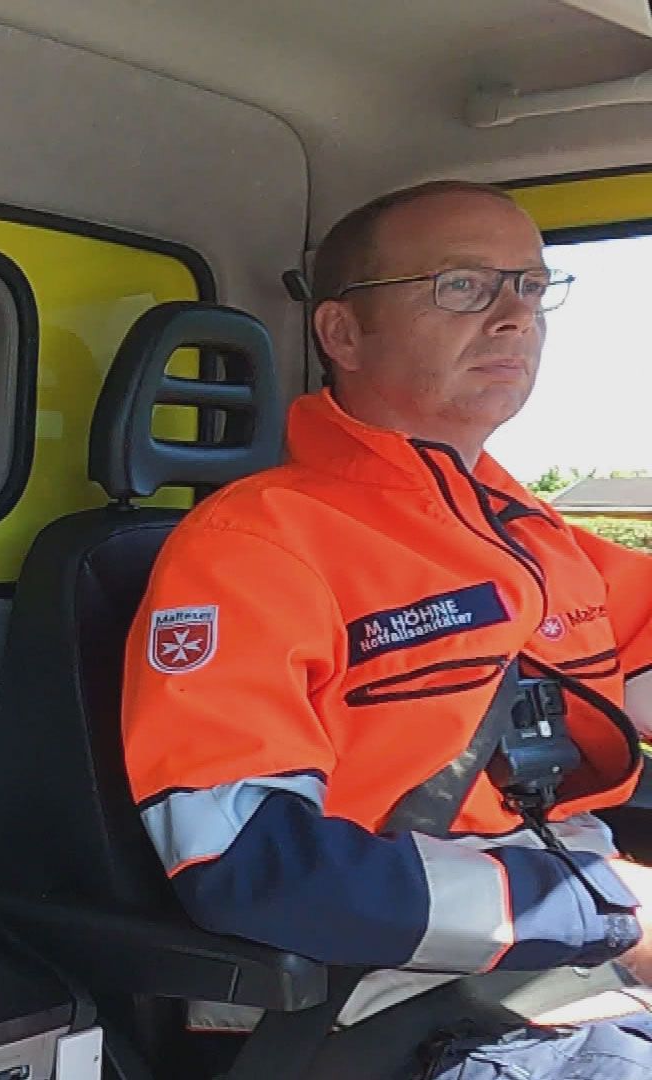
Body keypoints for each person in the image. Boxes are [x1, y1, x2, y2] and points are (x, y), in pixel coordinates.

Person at [122, 179, 652, 1077]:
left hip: (577, 981)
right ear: (341, 333)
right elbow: (248, 859)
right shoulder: (254, 546)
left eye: (531, 286)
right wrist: (600, 903)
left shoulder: (534, 535)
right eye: (463, 286)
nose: (515, 317)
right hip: (385, 1014)